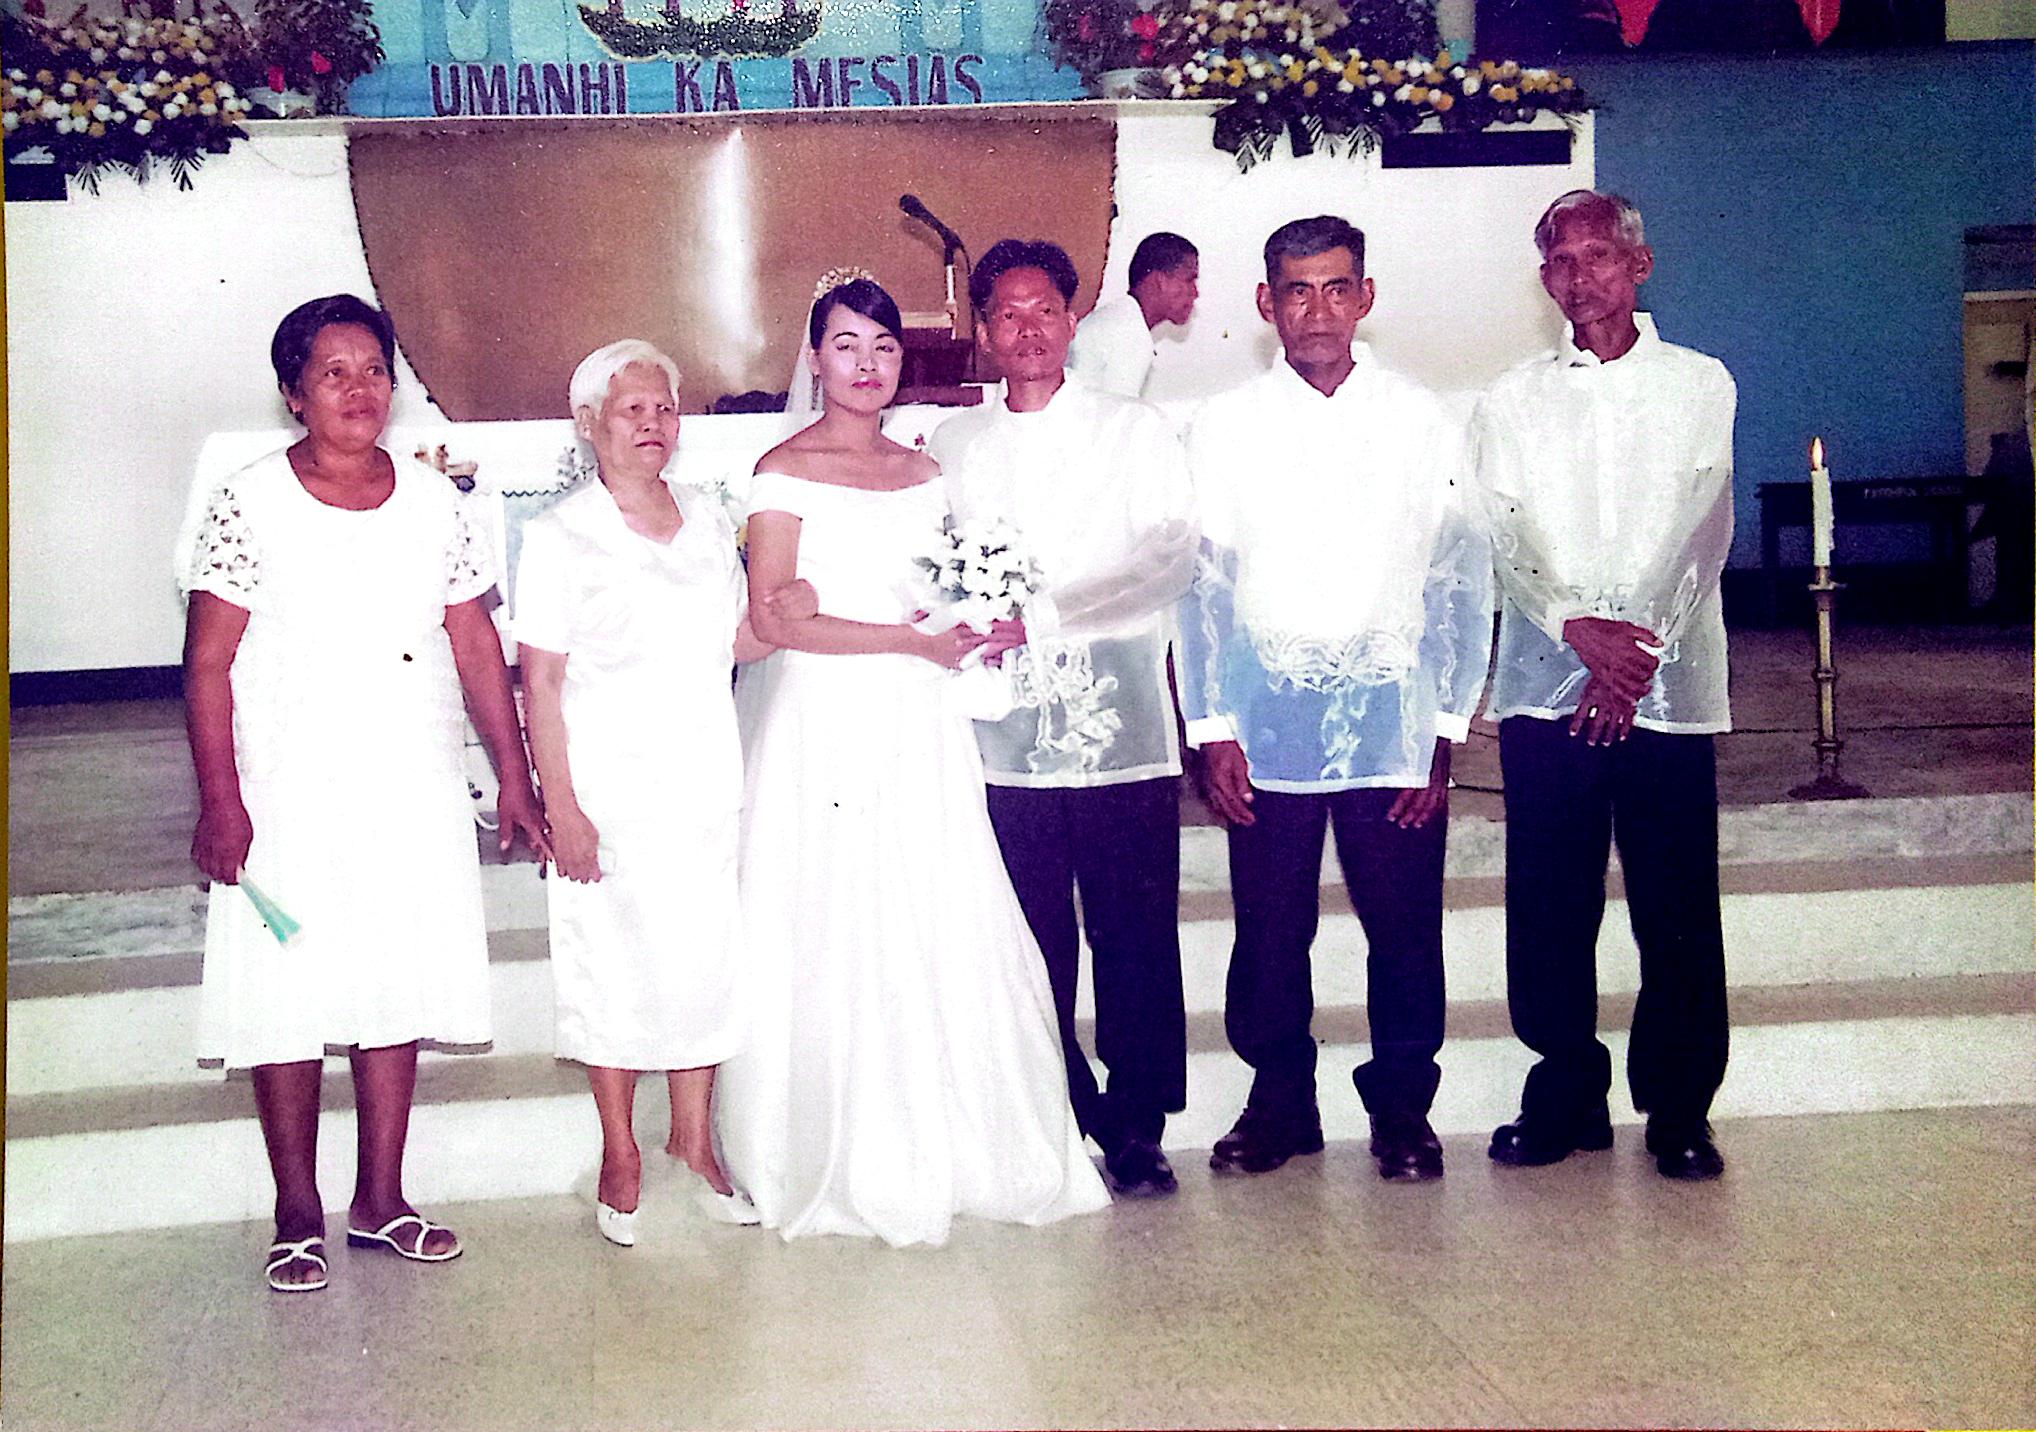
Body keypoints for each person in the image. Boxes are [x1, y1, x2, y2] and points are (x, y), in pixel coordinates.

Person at [714, 274, 1111, 1247]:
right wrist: (909, 641)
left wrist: (963, 627)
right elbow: (775, 619)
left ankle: (965, 1142)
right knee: (834, 911)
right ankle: (833, 1149)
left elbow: (939, 590)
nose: (867, 365)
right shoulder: (781, 470)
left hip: (920, 716)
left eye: (884, 347)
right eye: (846, 345)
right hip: (823, 715)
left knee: (936, 902)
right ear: (815, 359)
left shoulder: (926, 471)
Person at [180, 294, 549, 1292]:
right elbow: (207, 663)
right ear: (294, 393)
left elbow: (476, 643)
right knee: (287, 988)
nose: (359, 389)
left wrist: (514, 775)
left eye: (374, 370)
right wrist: (221, 800)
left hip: (408, 773)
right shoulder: (251, 499)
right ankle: (296, 1210)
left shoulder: (435, 501)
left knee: (397, 973)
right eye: (333, 372)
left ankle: (381, 1199)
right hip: (287, 778)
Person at [1183, 216, 1492, 1183]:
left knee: (1403, 926)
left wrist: (1443, 726)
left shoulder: (1421, 418)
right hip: (1266, 716)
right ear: (1267, 304)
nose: (1317, 310)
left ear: (1365, 297)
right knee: (1271, 929)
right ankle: (1281, 1102)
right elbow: (1203, 584)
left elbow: (1460, 573)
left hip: (1391, 714)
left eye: (1335, 287)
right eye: (1297, 290)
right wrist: (1211, 726)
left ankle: (1402, 1108)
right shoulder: (1226, 424)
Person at [513, 340, 816, 1247]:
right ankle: (621, 1151)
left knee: (702, 962)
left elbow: (734, 644)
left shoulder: (707, 517)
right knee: (612, 965)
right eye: (632, 410)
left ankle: (694, 1141)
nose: (652, 425)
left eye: (664, 409)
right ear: (590, 424)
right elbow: (541, 682)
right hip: (607, 786)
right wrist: (561, 805)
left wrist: (783, 618)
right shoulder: (559, 535)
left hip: (702, 777)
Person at [1473, 189, 1736, 1181]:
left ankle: (1679, 1105)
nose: (1577, 275)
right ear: (1543, 277)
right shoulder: (1510, 399)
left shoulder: (1697, 383)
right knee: (1549, 900)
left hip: (1664, 683)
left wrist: (1636, 652)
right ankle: (1566, 1091)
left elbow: (1702, 523)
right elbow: (1504, 528)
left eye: (1597, 255)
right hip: (1551, 680)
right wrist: (1575, 629)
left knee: (1675, 902)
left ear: (1639, 264)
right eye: (1559, 260)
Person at [930, 240, 1197, 1198]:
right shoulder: (953, 446)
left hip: (1120, 729)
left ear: (1074, 319)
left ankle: (1139, 1123)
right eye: (1007, 314)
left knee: (1134, 933)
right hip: (1006, 738)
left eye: (1045, 309)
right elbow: (929, 567)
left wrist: (1040, 615)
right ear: (983, 330)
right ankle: (1060, 1104)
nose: (1028, 329)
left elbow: (1168, 560)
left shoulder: (1134, 429)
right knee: (1027, 932)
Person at [1066, 231, 1199, 399]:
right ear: (1160, 281)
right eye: (1189, 280)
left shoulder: (1120, 318)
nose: (1195, 293)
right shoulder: (1129, 334)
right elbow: (1119, 413)